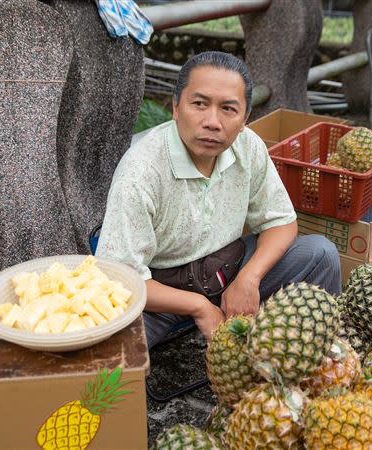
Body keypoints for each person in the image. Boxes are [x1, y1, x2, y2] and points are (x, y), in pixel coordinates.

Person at [96, 51, 341, 348]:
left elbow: (282, 222)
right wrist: (199, 306)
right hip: (159, 292)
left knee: (321, 254)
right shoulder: (141, 170)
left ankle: (315, 363)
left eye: (228, 109)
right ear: (176, 108)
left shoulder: (248, 146)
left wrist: (248, 279)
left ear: (245, 118)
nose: (213, 121)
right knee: (106, 350)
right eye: (199, 104)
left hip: (228, 269)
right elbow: (121, 279)